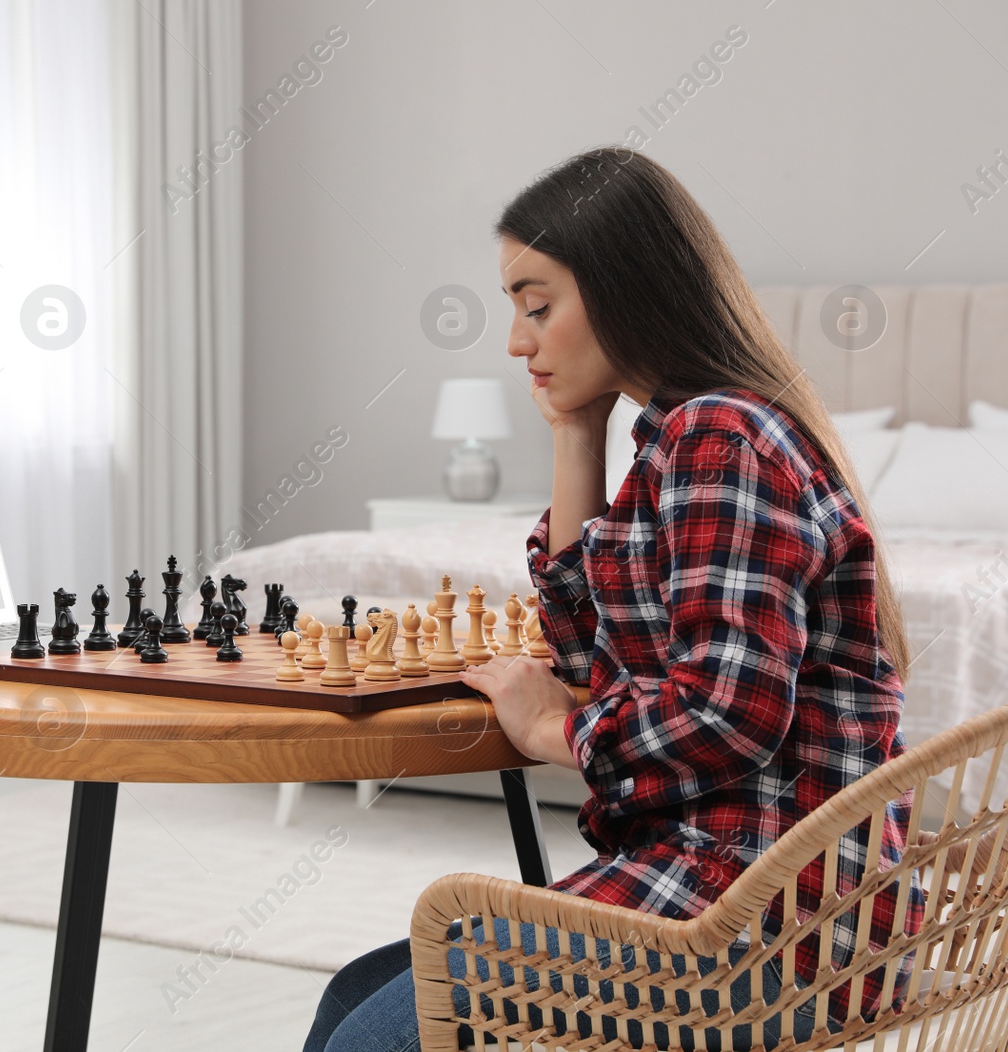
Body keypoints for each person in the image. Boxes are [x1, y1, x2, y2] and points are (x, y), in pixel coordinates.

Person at [303, 147, 923, 1051]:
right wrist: (576, 436)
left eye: (537, 306)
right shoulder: (674, 445)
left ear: (625, 286)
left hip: (767, 930)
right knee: (354, 997)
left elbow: (726, 711)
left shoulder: (726, 439)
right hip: (708, 891)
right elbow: (595, 658)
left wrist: (556, 731)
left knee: (380, 1037)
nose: (517, 342)